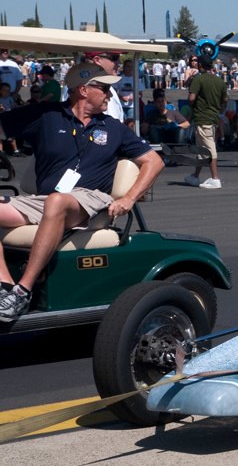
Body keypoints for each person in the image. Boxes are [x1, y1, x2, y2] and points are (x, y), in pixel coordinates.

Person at [0, 63, 164, 320]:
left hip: (91, 201)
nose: (110, 94)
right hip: (44, 200)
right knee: (52, 201)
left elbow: (154, 162)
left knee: (57, 201)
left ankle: (24, 290)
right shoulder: (47, 116)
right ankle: (6, 286)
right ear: (83, 89)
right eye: (105, 88)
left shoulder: (113, 128)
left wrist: (129, 198)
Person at [185, 56, 228, 189]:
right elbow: (225, 100)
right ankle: (195, 176)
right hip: (213, 117)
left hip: (202, 117)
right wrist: (219, 110)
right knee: (201, 148)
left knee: (209, 148)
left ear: (200, 65)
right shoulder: (219, 81)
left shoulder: (199, 79)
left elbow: (191, 98)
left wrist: (193, 106)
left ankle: (215, 178)